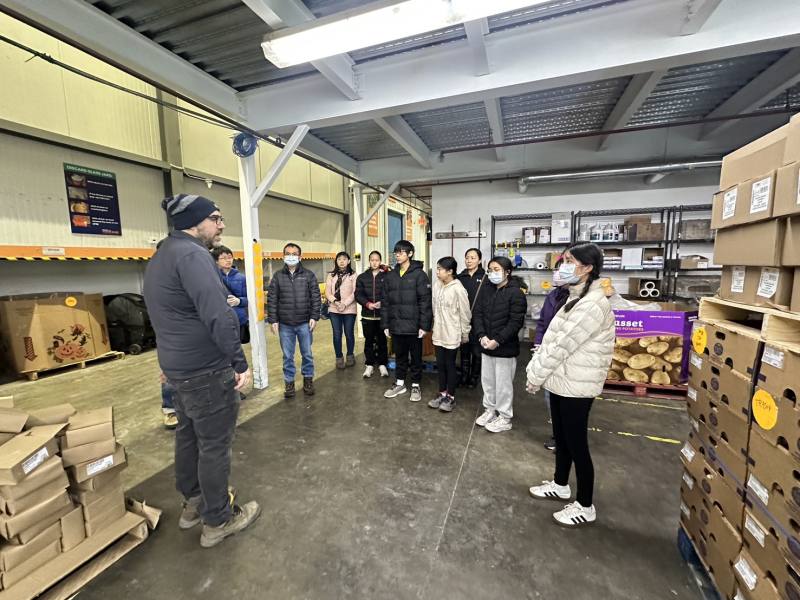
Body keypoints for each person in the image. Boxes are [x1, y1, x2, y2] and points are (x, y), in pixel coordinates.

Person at [143, 193, 260, 548]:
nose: (221, 224)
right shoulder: (194, 255)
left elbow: (163, 317)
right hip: (207, 370)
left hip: (180, 368)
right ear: (195, 223)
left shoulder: (163, 254)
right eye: (216, 218)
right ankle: (218, 519)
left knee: (189, 435)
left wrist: (168, 361)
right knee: (214, 446)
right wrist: (239, 363)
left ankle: (193, 502)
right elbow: (218, 314)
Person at [526, 243, 615, 527]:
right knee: (562, 437)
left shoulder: (592, 304)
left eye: (570, 261)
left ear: (587, 268)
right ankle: (561, 484)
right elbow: (552, 339)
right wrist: (539, 368)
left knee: (577, 444)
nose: (563, 266)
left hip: (578, 383)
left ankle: (585, 504)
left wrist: (534, 374)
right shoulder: (574, 297)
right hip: (563, 380)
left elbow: (562, 346)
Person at [472, 256, 527, 433]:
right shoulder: (487, 290)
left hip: (504, 348)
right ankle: (490, 410)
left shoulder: (516, 293)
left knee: (503, 385)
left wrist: (498, 340)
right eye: (490, 270)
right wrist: (481, 336)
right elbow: (478, 314)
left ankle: (504, 417)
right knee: (488, 381)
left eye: (496, 269)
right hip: (486, 345)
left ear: (507, 272)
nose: (492, 273)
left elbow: (515, 322)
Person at [267, 243, 321, 399]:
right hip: (285, 325)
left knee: (307, 354)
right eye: (288, 253)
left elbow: (315, 298)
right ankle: (289, 382)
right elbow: (272, 299)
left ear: (300, 256)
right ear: (283, 256)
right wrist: (273, 320)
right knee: (287, 356)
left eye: (294, 253)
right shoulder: (278, 276)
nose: (291, 256)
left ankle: (308, 379)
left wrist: (314, 316)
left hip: (305, 323)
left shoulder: (309, 275)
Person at [382, 240, 433, 402]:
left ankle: (416, 385)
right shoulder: (391, 275)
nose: (397, 255)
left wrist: (424, 326)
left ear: (410, 254)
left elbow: (425, 302)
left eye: (401, 252)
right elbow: (385, 302)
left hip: (414, 326)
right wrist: (385, 324)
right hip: (396, 325)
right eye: (396, 252)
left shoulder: (419, 275)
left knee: (416, 357)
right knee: (400, 356)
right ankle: (400, 383)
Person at [534, 258, 571, 451]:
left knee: (567, 399)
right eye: (556, 270)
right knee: (550, 397)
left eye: (563, 269)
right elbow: (543, 323)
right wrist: (538, 343)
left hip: (568, 357)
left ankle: (566, 438)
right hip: (548, 352)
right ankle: (558, 435)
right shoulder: (553, 295)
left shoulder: (580, 298)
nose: (557, 273)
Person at [428, 257, 471, 413]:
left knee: (450, 364)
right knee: (440, 364)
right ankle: (442, 393)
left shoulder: (458, 289)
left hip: (452, 332)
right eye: (437, 268)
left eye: (440, 269)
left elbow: (465, 314)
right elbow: (434, 308)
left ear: (450, 271)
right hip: (438, 331)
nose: (437, 272)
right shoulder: (437, 285)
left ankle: (450, 397)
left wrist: (465, 333)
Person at [355, 251, 389, 378]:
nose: (374, 262)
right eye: (372, 260)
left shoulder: (386, 276)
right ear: (369, 261)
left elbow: (390, 293)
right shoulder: (362, 277)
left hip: (382, 315)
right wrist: (368, 304)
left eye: (377, 260)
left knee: (382, 341)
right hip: (367, 315)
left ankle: (382, 364)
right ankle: (369, 365)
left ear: (380, 261)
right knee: (368, 340)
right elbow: (358, 294)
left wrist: (382, 302)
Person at [457, 248, 486, 388]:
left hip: (480, 319)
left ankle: (474, 378)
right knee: (464, 348)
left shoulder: (486, 277)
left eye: (473, 258)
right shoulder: (459, 277)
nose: (469, 260)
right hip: (462, 318)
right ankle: (463, 376)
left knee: (477, 350)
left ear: (479, 260)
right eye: (467, 257)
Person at [325, 252, 358, 369]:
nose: (342, 261)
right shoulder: (331, 275)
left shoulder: (353, 275)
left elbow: (355, 292)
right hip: (334, 309)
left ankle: (350, 355)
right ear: (336, 261)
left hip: (349, 309)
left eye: (344, 259)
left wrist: (344, 304)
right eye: (339, 259)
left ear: (349, 261)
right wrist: (336, 302)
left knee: (349, 333)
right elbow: (327, 292)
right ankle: (339, 357)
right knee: (337, 334)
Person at [212, 246, 249, 344]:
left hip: (239, 319)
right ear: (216, 261)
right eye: (224, 258)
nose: (228, 260)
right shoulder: (212, 277)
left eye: (230, 257)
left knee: (237, 348)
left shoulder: (242, 278)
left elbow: (248, 299)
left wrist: (239, 301)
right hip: (220, 320)